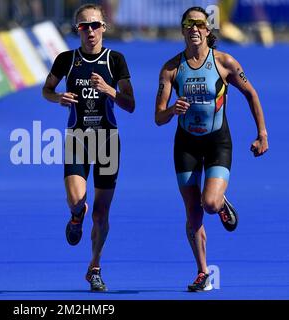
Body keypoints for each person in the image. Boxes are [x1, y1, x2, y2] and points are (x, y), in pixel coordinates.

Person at [155, 6, 268, 292]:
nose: (194, 28)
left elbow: (251, 94)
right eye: (188, 24)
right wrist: (172, 110)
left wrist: (262, 134)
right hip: (186, 145)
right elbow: (158, 117)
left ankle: (221, 201)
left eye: (199, 24)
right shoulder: (171, 68)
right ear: (182, 30)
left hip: (217, 141)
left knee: (211, 204)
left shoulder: (224, 62)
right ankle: (203, 272)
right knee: (193, 214)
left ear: (208, 30)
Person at [42, 3, 135, 291]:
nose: (90, 31)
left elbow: (130, 105)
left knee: (101, 214)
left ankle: (94, 266)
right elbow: (46, 90)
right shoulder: (66, 59)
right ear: (77, 30)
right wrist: (59, 98)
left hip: (107, 142)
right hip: (77, 140)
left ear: (104, 28)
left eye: (95, 25)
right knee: (77, 199)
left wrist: (110, 91)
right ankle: (75, 216)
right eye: (84, 26)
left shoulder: (115, 60)